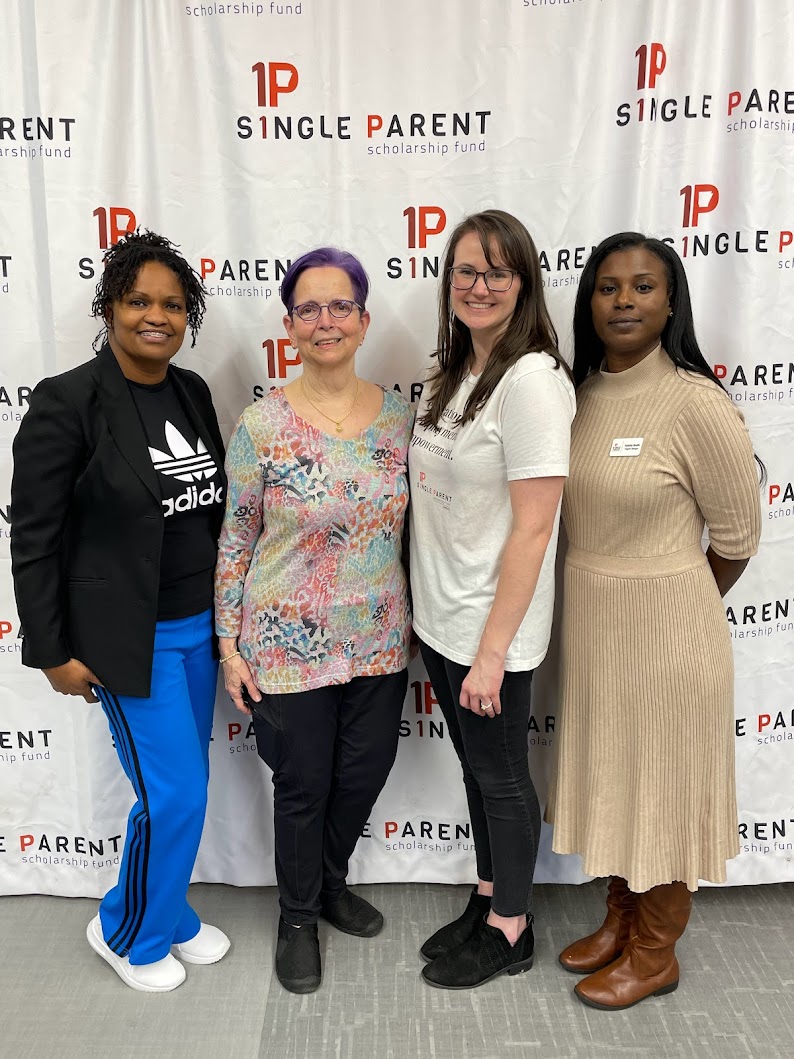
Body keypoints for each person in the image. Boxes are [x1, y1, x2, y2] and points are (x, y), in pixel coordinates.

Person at [547, 232, 762, 1010]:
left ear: (671, 301)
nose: (625, 301)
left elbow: (738, 537)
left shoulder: (695, 401)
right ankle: (621, 917)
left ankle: (655, 951)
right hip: (596, 631)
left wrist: (673, 600)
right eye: (608, 287)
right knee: (615, 775)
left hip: (670, 634)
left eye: (643, 286)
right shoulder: (577, 395)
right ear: (589, 302)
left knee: (663, 787)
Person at [11, 230, 230, 993]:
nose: (155, 316)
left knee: (183, 782)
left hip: (200, 631)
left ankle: (165, 912)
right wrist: (49, 648)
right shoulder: (69, 400)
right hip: (126, 641)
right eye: (139, 300)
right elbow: (33, 534)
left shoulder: (191, 391)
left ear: (189, 316)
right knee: (174, 793)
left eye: (172, 304)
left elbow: (209, 509)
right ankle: (125, 928)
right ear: (109, 306)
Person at [214, 247, 412, 994]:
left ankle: (330, 881)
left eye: (339, 307)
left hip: (380, 639)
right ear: (289, 326)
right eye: (308, 308)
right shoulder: (261, 424)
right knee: (301, 786)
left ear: (363, 320)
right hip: (284, 645)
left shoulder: (400, 419)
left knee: (361, 774)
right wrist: (228, 646)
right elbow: (235, 538)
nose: (324, 321)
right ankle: (299, 915)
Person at [409, 209, 576, 990]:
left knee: (504, 776)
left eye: (497, 272)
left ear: (524, 284)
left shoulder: (533, 382)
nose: (479, 285)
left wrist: (491, 651)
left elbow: (535, 530)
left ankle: (513, 926)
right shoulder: (456, 372)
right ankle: (488, 893)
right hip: (444, 619)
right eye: (466, 271)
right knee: (478, 773)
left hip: (492, 633)